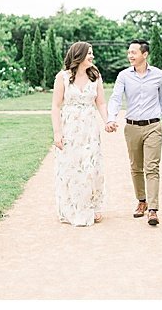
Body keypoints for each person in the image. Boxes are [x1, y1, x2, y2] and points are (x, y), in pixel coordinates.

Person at [106, 39, 162, 227]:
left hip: (153, 126)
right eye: (129, 52)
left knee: (152, 167)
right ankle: (142, 201)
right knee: (136, 167)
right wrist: (111, 118)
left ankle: (153, 209)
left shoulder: (159, 75)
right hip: (132, 127)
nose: (130, 56)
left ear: (145, 54)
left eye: (133, 52)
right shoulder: (124, 76)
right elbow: (116, 98)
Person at [51, 42, 108, 227]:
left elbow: (100, 103)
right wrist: (57, 132)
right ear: (79, 55)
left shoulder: (95, 76)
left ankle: (92, 206)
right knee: (71, 167)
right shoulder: (63, 77)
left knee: (91, 167)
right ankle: (71, 207)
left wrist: (107, 121)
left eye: (92, 53)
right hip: (70, 128)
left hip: (90, 129)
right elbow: (56, 106)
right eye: (89, 53)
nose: (92, 56)